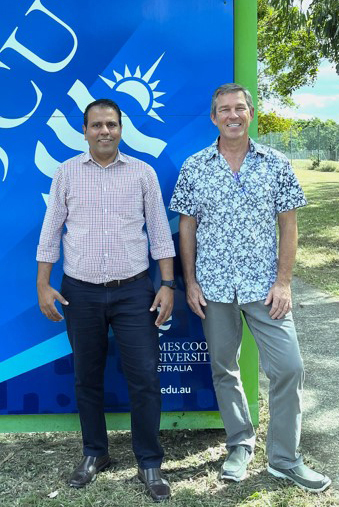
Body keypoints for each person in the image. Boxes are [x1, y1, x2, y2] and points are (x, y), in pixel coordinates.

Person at [169, 83, 331, 492]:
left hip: (265, 288)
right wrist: (190, 282)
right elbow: (186, 229)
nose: (232, 115)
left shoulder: (276, 163)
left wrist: (284, 282)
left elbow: (288, 226)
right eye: (224, 109)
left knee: (289, 367)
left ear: (252, 113)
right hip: (214, 287)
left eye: (239, 108)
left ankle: (284, 459)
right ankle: (239, 444)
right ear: (213, 117)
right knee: (224, 369)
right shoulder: (195, 167)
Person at [36, 98, 175, 502]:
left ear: (121, 128)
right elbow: (50, 233)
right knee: (86, 377)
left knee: (145, 378)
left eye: (111, 124)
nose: (104, 131)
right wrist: (43, 285)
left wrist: (167, 284)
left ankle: (149, 461)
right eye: (96, 125)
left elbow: (160, 235)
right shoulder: (66, 174)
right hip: (80, 291)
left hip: (134, 291)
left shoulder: (142, 173)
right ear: (84, 131)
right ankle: (95, 453)